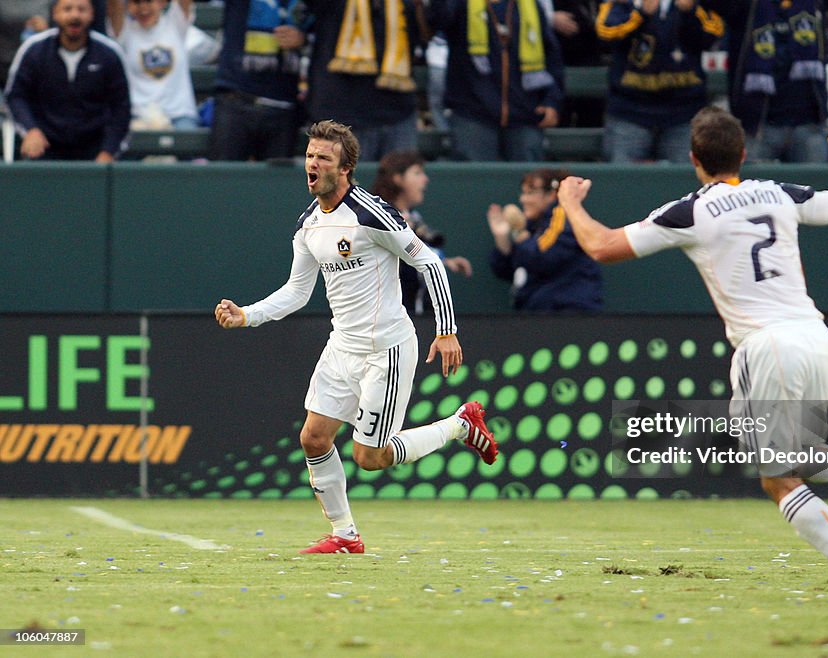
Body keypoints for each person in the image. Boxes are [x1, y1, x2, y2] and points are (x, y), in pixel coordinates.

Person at [556, 106, 828, 602]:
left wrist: (570, 202)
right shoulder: (780, 193)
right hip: (815, 336)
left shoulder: (691, 211)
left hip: (767, 345)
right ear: (743, 154)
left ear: (694, 159)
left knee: (778, 478)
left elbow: (602, 246)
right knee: (772, 450)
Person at [214, 120, 498, 554]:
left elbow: (430, 263)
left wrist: (446, 331)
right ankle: (345, 535)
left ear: (344, 167)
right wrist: (246, 315)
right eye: (309, 156)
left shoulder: (371, 213)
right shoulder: (308, 223)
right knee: (313, 438)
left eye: (323, 158)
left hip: (387, 349)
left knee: (371, 458)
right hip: (341, 347)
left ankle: (460, 424)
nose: (312, 164)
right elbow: (296, 291)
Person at [700, 0, 828, 163]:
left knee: (817, 187)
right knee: (751, 188)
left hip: (808, 122)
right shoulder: (746, 6)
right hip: (758, 125)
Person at [429, 0, 565, 161]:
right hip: (473, 112)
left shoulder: (530, 6)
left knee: (530, 179)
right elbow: (436, 20)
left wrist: (551, 101)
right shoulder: (459, 4)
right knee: (475, 180)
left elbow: (552, 58)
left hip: (525, 113)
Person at [596, 0, 723, 162]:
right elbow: (606, 32)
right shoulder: (623, 3)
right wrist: (641, 13)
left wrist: (690, 11)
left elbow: (714, 33)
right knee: (623, 182)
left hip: (684, 114)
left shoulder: (695, 4)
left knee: (684, 183)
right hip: (630, 113)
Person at [4, 0, 130, 161]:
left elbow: (121, 107)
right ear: (55, 13)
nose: (74, 15)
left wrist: (109, 150)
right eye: (67, 9)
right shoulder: (34, 50)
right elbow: (15, 96)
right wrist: (30, 130)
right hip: (44, 147)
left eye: (81, 9)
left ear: (92, 14)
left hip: (95, 151)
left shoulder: (109, 53)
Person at [305, 0, 430, 161]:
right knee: (347, 184)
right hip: (342, 115)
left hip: (398, 111)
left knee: (401, 183)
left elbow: (430, 28)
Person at [370, 150, 473, 315]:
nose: (425, 179)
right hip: (387, 318)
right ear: (397, 178)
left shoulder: (413, 216)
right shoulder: (377, 218)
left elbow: (418, 255)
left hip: (415, 316)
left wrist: (445, 262)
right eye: (417, 173)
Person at [208, 0, 312, 161]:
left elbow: (325, 31)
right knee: (223, 181)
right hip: (236, 100)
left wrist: (303, 39)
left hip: (284, 106)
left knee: (274, 184)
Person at [488, 168, 603, 311]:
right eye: (523, 193)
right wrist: (502, 239)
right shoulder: (533, 225)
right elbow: (506, 271)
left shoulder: (563, 217)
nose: (523, 199)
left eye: (530, 193)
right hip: (538, 316)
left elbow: (543, 257)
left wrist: (519, 233)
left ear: (551, 195)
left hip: (568, 313)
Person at [107, 0, 200, 130]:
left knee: (188, 139)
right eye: (136, 2)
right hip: (138, 116)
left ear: (162, 2)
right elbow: (114, 4)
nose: (143, 8)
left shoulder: (175, 23)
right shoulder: (124, 31)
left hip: (179, 115)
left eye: (149, 1)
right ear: (128, 5)